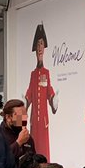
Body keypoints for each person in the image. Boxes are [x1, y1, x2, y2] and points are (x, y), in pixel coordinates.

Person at [25, 24, 57, 160]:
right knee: (34, 148)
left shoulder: (46, 73)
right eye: (38, 44)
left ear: (44, 48)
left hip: (43, 120)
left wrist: (53, 99)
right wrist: (24, 103)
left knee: (43, 149)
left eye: (42, 44)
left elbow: (48, 90)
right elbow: (30, 93)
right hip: (34, 120)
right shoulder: (33, 74)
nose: (39, 47)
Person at [1, 99, 36, 168]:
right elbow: (0, 160)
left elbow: (34, 159)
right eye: (21, 115)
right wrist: (18, 143)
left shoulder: (27, 137)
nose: (25, 118)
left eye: (25, 114)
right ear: (8, 117)